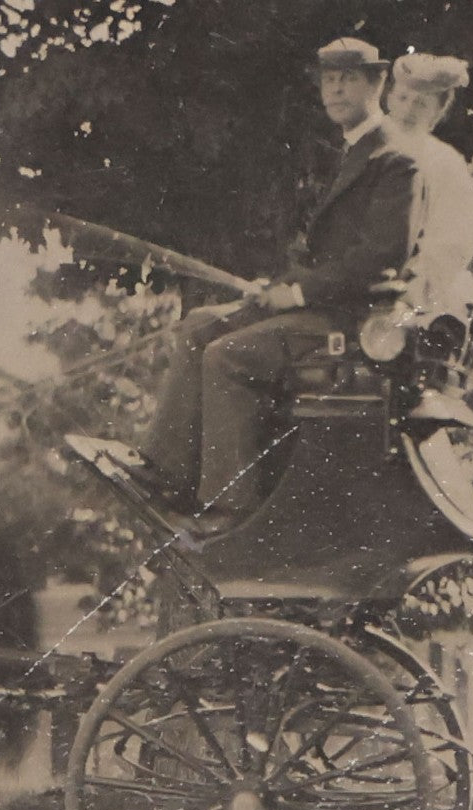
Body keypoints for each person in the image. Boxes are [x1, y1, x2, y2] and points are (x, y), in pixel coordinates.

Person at [116, 38, 422, 529]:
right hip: (318, 306)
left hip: (351, 321)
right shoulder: (352, 152)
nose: (335, 88)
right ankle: (167, 474)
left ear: (377, 83)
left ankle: (229, 511)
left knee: (227, 355)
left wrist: (298, 293)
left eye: (348, 77)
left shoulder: (396, 159)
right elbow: (324, 257)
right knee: (198, 327)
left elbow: (379, 261)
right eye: (328, 78)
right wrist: (276, 285)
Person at [381, 53, 473, 323]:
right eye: (403, 98)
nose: (408, 110)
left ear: (437, 113)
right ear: (389, 98)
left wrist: (415, 283)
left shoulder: (445, 163)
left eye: (421, 104)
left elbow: (455, 238)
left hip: (419, 292)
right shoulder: (365, 150)